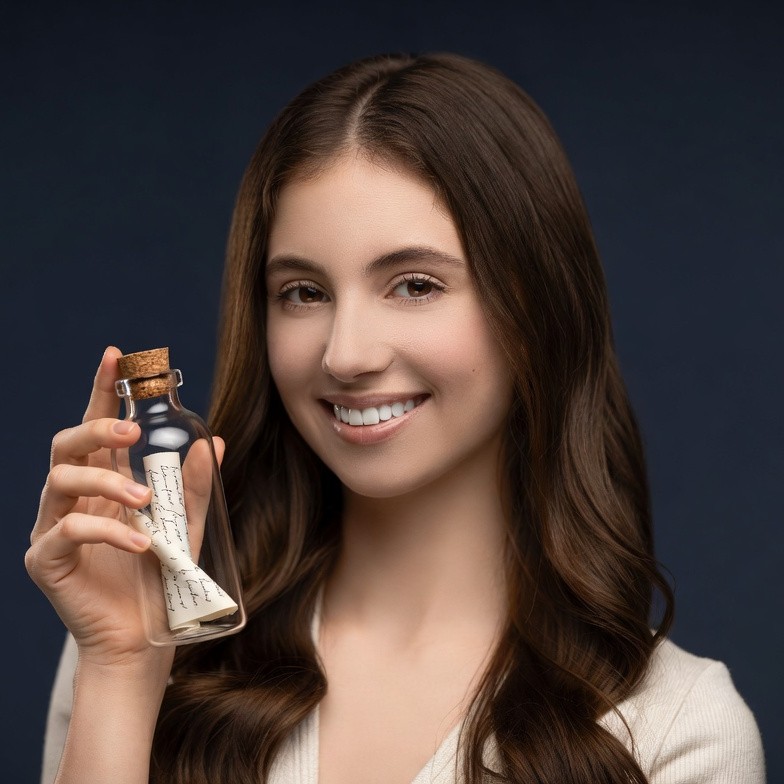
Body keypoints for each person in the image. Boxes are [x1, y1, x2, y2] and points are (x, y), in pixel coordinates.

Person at [27, 52, 765, 784]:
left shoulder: (675, 730)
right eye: (303, 293)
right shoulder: (141, 638)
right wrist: (123, 669)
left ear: (537, 308)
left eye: (414, 285)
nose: (345, 355)